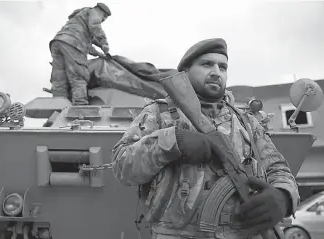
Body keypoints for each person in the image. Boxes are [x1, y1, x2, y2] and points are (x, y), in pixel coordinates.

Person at [111, 38, 300, 239]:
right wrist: (173, 141)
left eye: (223, 67)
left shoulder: (246, 121)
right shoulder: (159, 114)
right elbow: (122, 166)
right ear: (184, 73)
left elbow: (278, 167)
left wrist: (283, 195)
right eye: (206, 64)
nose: (216, 72)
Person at [49, 3, 111, 105]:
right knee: (79, 76)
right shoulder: (93, 12)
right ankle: (80, 105)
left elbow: (85, 44)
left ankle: (58, 105)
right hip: (72, 43)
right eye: (104, 16)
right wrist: (104, 43)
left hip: (58, 42)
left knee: (59, 78)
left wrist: (99, 53)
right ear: (99, 10)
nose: (103, 19)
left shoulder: (78, 19)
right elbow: (95, 26)